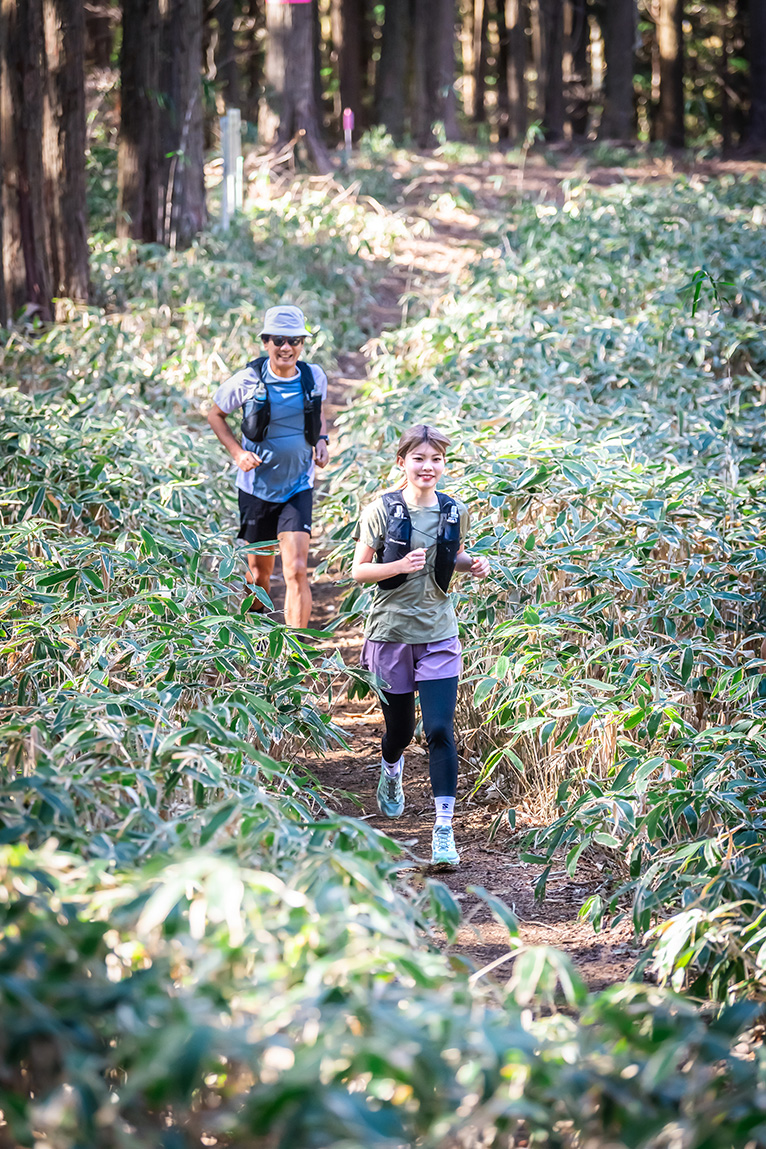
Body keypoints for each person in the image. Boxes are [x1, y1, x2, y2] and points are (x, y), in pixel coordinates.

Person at [351, 425, 490, 866]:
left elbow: (452, 557)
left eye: (436, 460)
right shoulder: (381, 509)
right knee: (401, 732)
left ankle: (443, 831)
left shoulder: (455, 510)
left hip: (439, 634)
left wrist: (473, 564)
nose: (428, 467)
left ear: (443, 465)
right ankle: (390, 767)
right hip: (390, 633)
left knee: (440, 731)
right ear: (402, 463)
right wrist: (396, 564)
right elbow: (359, 571)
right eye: (418, 459)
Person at [207, 305, 329, 628]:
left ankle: (295, 651)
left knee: (296, 569)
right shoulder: (248, 380)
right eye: (278, 340)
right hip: (256, 489)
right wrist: (237, 453)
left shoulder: (313, 377)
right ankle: (255, 643)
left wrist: (322, 440)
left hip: (298, 486)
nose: (286, 347)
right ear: (265, 342)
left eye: (294, 340)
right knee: (259, 576)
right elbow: (214, 415)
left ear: (302, 344)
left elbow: (317, 413)